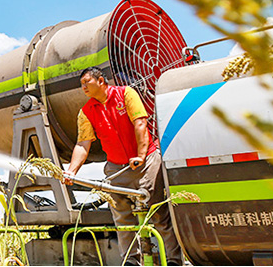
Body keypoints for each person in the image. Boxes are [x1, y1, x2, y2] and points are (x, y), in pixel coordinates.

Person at [63, 66, 183, 266]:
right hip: (116, 169)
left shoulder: (126, 94)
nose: (83, 87)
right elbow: (83, 144)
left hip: (147, 163)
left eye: (87, 82)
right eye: (81, 84)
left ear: (101, 81)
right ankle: (131, 261)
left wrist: (141, 155)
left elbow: (140, 124)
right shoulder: (86, 112)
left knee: (159, 214)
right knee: (122, 219)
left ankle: (173, 260)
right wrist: (71, 171)